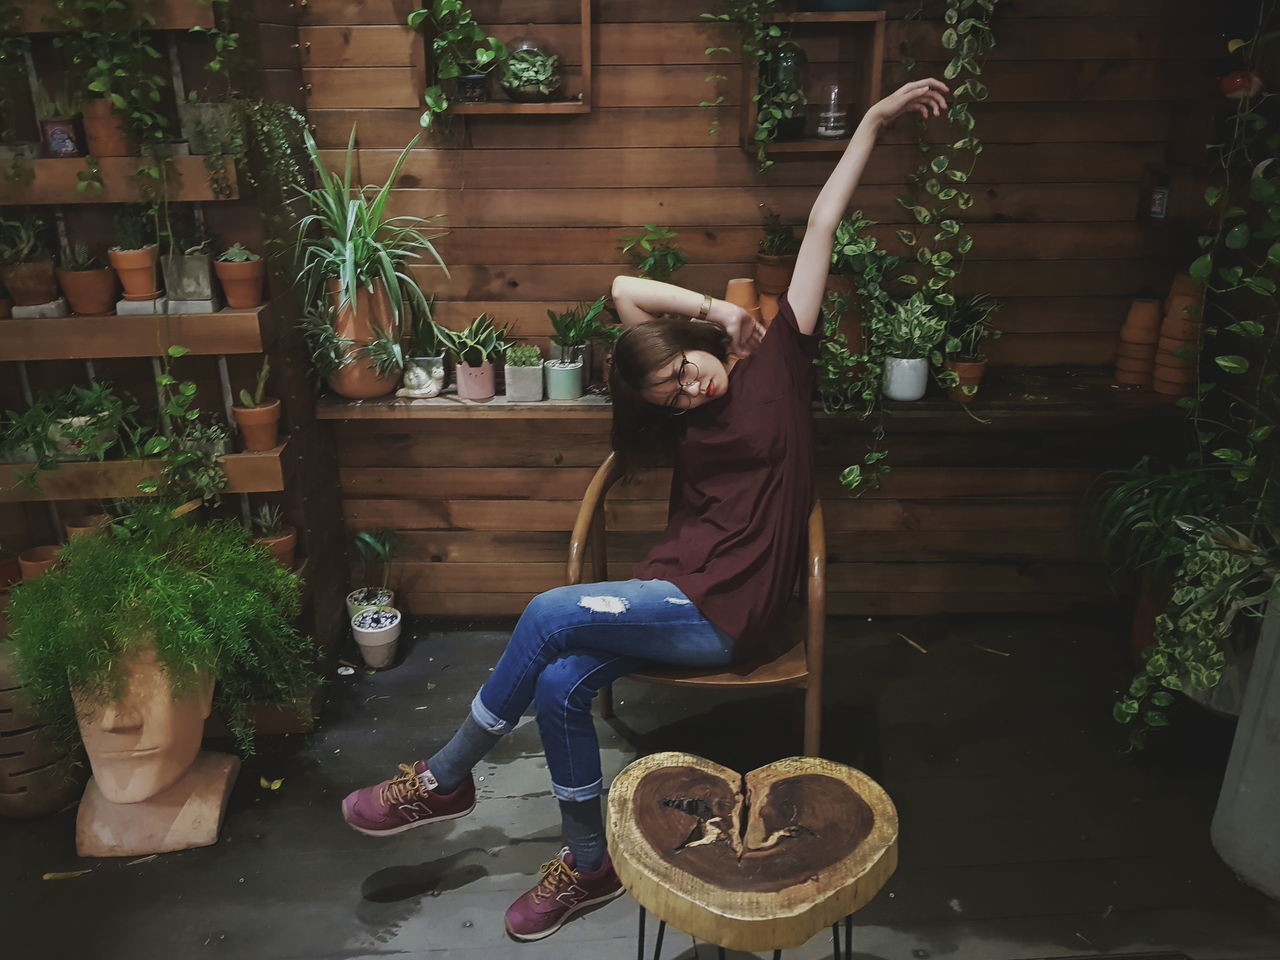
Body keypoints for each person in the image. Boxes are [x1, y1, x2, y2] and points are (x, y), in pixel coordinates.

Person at [341, 77, 950, 943]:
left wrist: (876, 122)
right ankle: (588, 865)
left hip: (729, 610)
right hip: (672, 593)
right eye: (668, 396)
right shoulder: (689, 411)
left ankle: (446, 777)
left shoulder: (781, 362)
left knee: (549, 613)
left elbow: (820, 226)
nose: (687, 391)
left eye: (684, 374)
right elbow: (626, 293)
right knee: (556, 680)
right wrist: (704, 312)